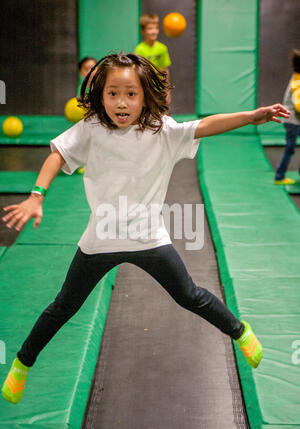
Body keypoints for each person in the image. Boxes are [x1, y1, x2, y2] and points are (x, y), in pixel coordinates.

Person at [1, 52, 289, 405]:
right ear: (99, 95)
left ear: (145, 96)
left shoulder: (162, 132)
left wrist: (251, 117)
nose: (121, 103)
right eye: (112, 93)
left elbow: (205, 125)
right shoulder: (91, 130)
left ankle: (240, 331)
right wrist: (36, 195)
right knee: (64, 306)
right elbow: (57, 154)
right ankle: (21, 363)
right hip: (100, 239)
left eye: (131, 94)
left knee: (190, 295)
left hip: (149, 238)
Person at [274, 49, 300, 185]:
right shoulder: (297, 82)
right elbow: (299, 106)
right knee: (290, 149)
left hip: (294, 120)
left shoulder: (297, 77)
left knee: (290, 149)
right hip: (293, 121)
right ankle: (279, 176)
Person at [135, 13, 171, 105]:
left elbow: (165, 70)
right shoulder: (139, 50)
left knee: (163, 113)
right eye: (150, 29)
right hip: (146, 89)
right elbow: (139, 73)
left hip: (160, 88)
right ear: (143, 31)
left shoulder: (162, 48)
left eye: (156, 28)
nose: (154, 31)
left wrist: (167, 90)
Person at [76, 57, 97, 174]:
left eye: (94, 68)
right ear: (81, 73)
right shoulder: (82, 89)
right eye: (87, 69)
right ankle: (84, 163)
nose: (91, 71)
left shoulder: (105, 86)